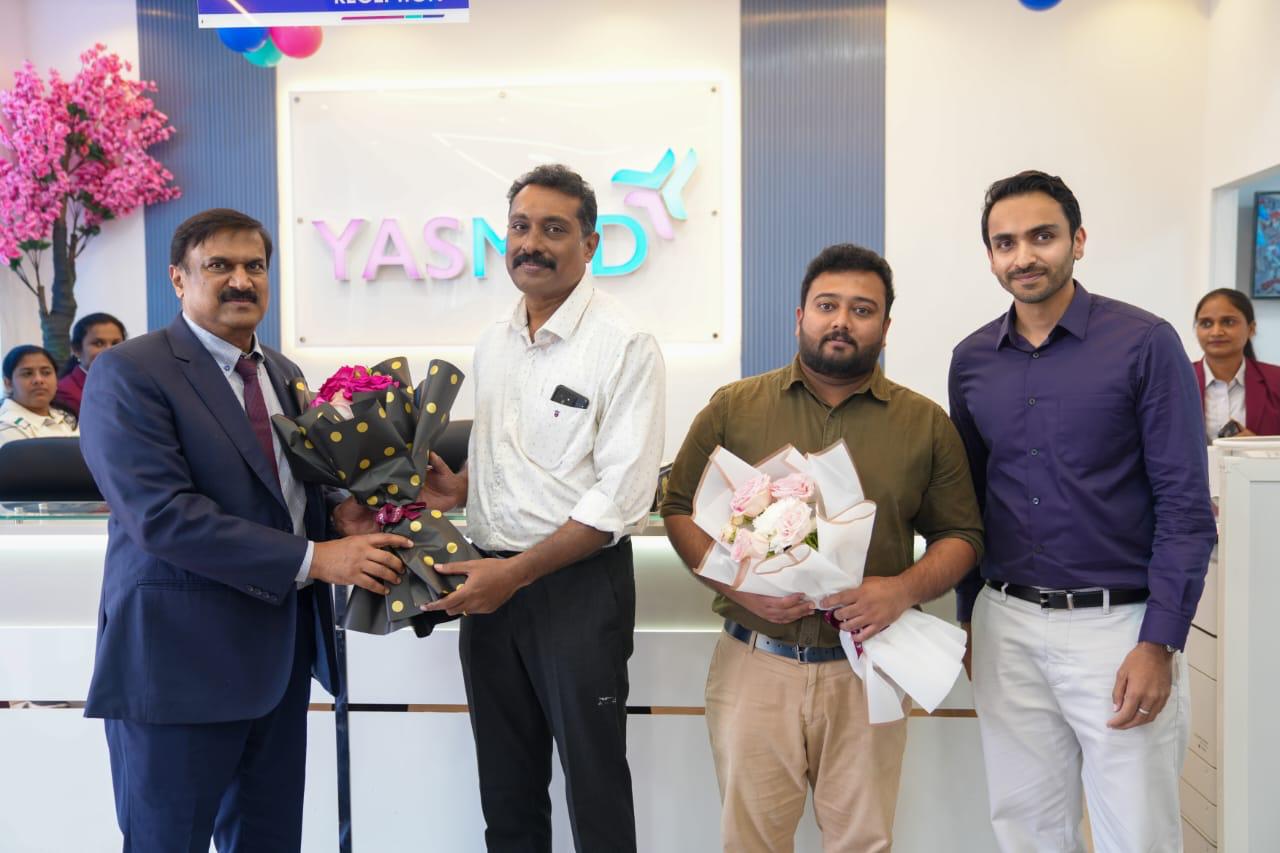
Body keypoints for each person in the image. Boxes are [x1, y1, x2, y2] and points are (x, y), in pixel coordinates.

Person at [78, 208, 412, 853]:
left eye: (254, 266)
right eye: (219, 266)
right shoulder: (130, 371)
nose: (241, 280)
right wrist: (318, 557)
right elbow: (161, 516)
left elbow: (284, 490)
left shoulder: (282, 373)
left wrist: (340, 513)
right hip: (177, 665)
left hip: (278, 665)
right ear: (178, 278)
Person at [662, 243, 984, 852]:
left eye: (862, 310)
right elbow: (678, 507)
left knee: (862, 841)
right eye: (827, 305)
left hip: (867, 665)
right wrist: (735, 584)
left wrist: (901, 591)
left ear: (885, 327)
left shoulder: (923, 424)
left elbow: (963, 536)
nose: (842, 321)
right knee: (750, 841)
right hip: (756, 660)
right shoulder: (735, 407)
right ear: (800, 316)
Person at [948, 170, 1217, 852]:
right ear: (990, 256)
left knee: (1138, 833)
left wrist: (1159, 641)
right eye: (1005, 243)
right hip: (1007, 624)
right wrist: (970, 615)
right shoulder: (972, 360)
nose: (1024, 256)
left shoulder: (1144, 343)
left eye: (1042, 236)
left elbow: (1185, 506)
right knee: (1027, 830)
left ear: (1078, 240)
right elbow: (970, 502)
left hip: (1119, 629)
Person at [415, 164, 665, 852]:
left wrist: (516, 574)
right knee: (506, 793)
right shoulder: (494, 340)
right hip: (487, 585)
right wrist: (461, 489)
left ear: (591, 244)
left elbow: (620, 498)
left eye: (554, 229)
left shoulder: (625, 343)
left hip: (577, 590)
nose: (532, 243)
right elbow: (516, 450)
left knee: (595, 789)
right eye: (520, 227)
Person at [1192, 287, 1280, 439]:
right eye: (1206, 324)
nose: (1216, 332)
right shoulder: (1176, 380)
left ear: (1251, 329)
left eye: (1228, 322)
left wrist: (1260, 446)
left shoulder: (1276, 380)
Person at [0, 344, 78, 446]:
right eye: (27, 374)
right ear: (8, 384)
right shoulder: (6, 428)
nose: (39, 380)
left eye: (46, 372)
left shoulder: (67, 417)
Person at [54, 311, 127, 417]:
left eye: (115, 343)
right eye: (99, 343)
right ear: (76, 349)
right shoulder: (64, 393)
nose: (109, 350)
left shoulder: (130, 385)